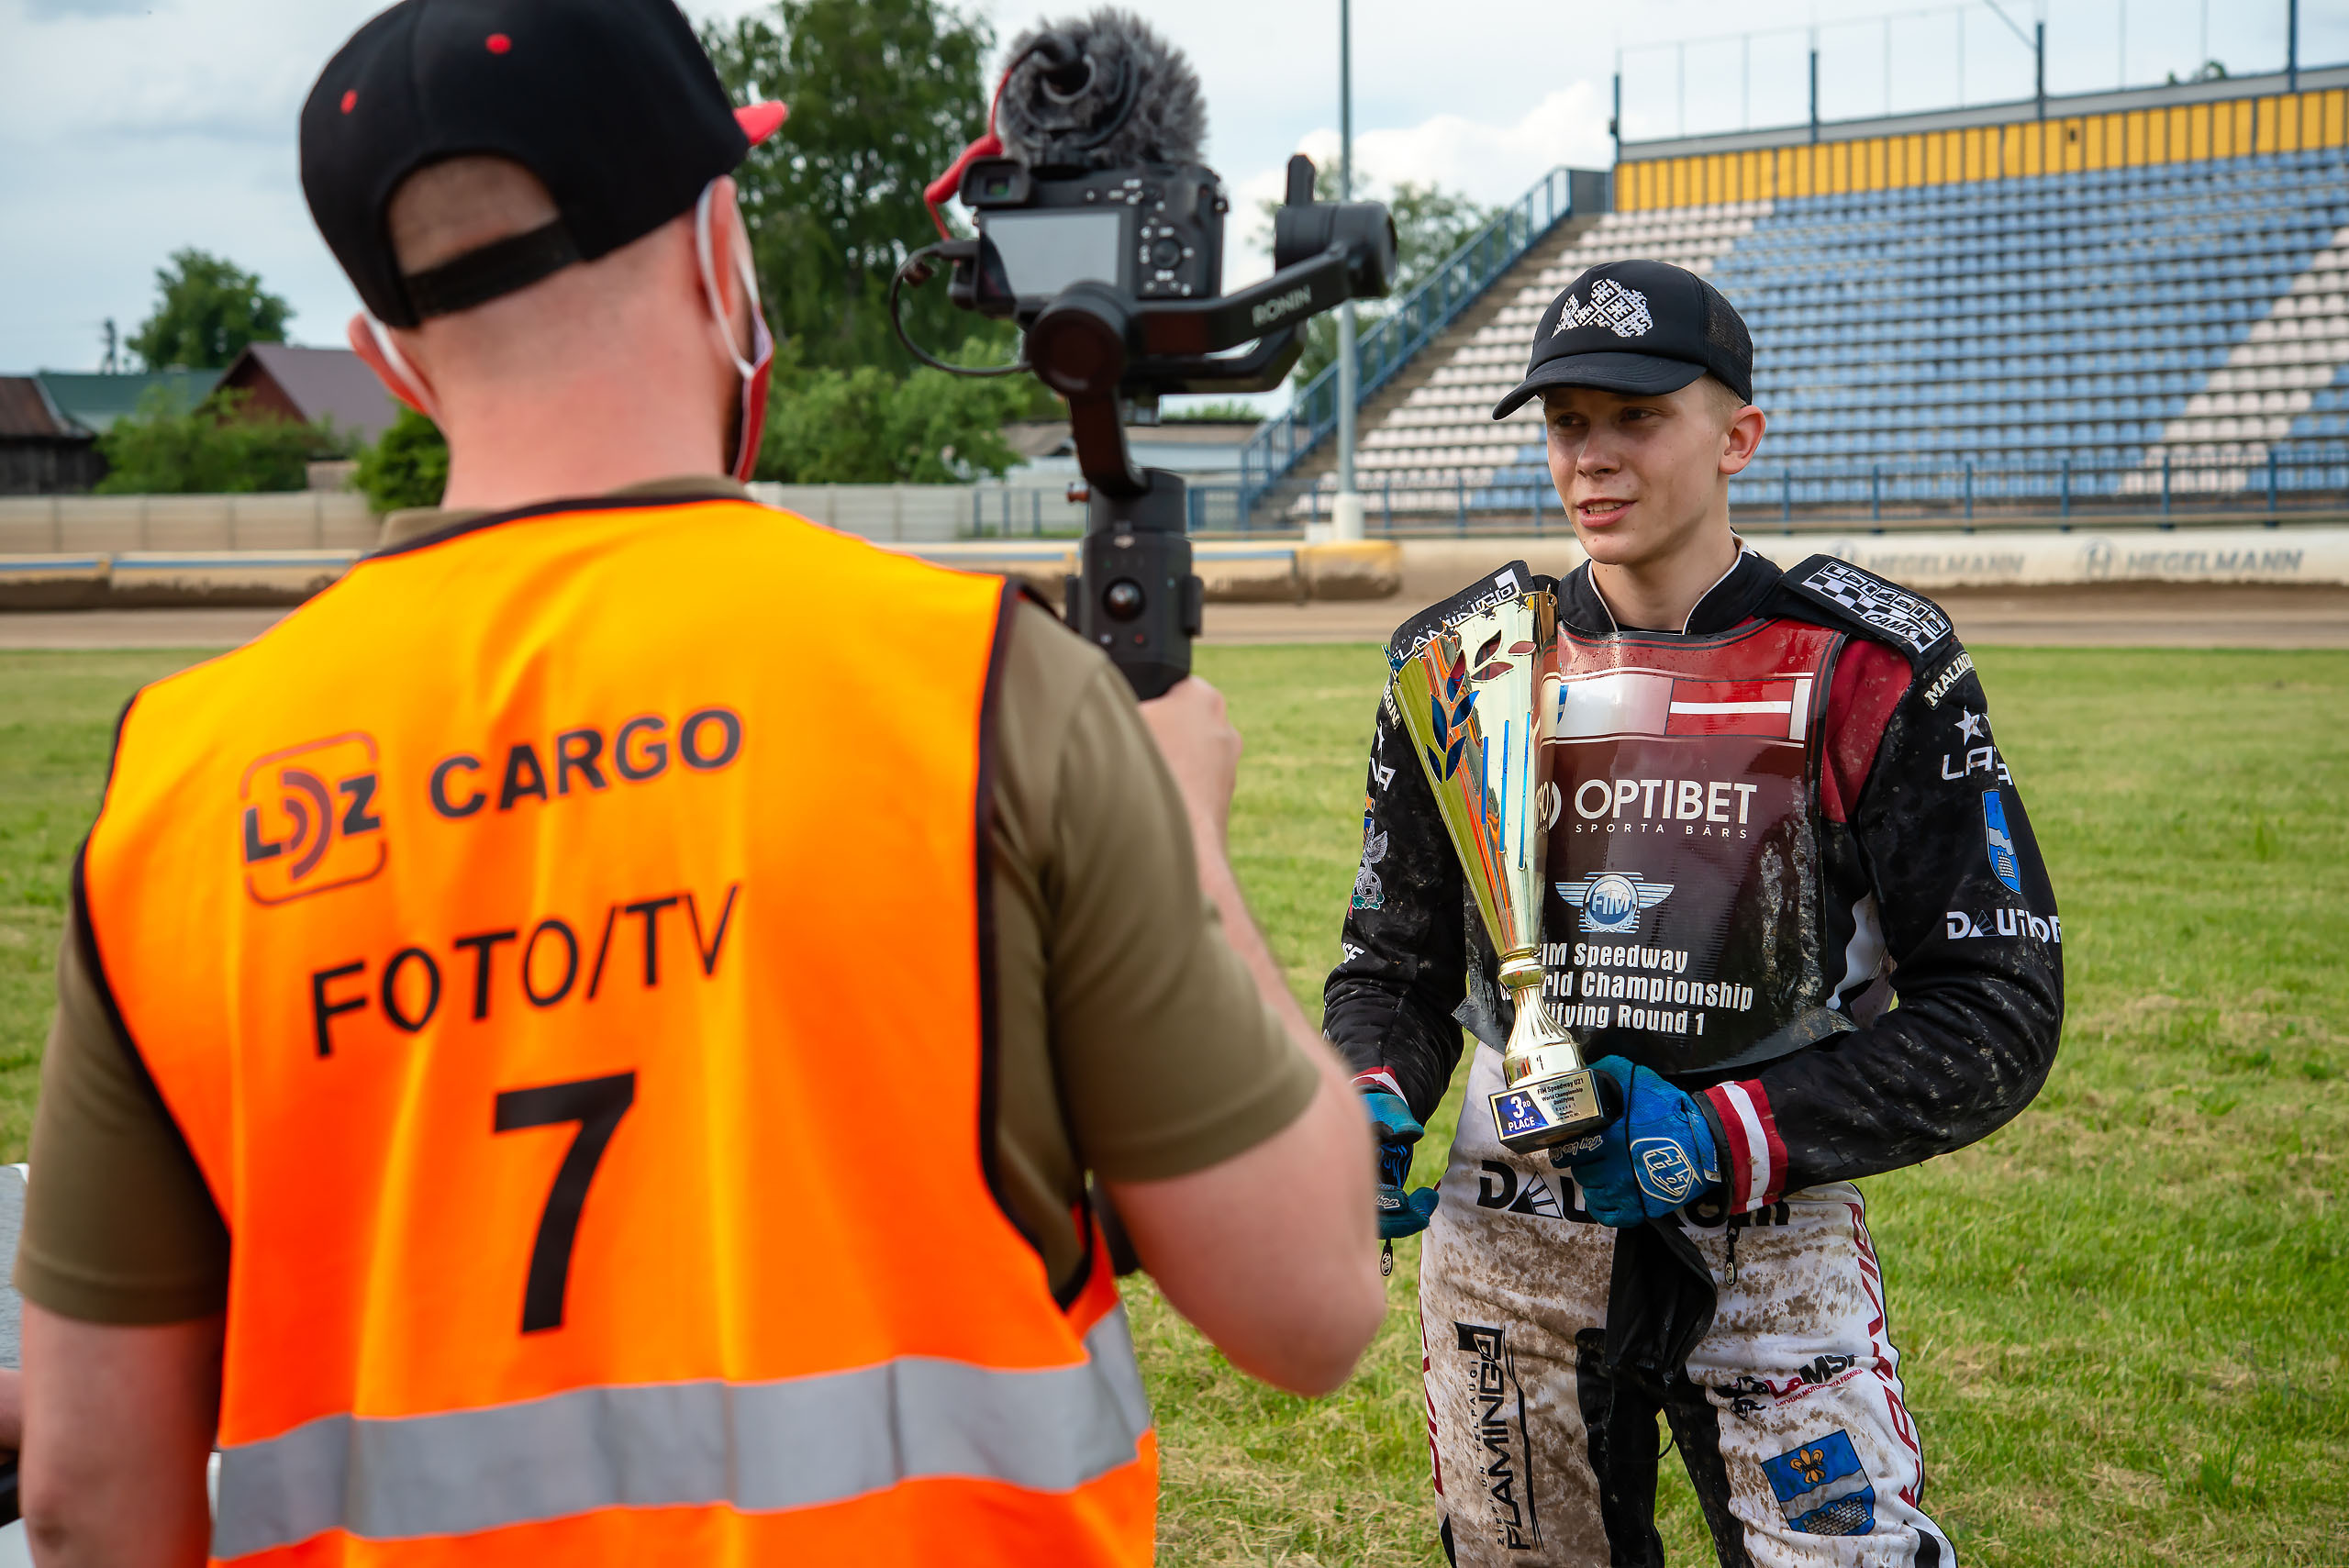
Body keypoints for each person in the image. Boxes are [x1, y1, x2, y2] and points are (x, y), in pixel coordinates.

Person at [16, 3, 1383, 1562]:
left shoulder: (184, 776)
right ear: (720, 246)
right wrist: (1188, 830)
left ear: (385, 359)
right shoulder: (975, 685)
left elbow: (85, 1494)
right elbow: (1314, 1302)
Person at [1327, 259, 2064, 1567]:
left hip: (1771, 1229)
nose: (1592, 458)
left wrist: (1726, 1132)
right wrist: (1371, 1090)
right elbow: (1394, 960)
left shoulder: (1869, 667)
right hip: (1511, 1228)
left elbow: (1998, 1009)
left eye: (1637, 416)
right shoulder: (1460, 665)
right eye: (1566, 424)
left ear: (1738, 437)